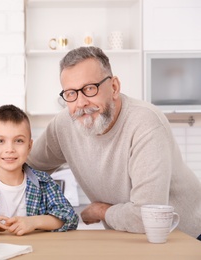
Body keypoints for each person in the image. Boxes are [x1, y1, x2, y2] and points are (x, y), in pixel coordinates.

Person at [26, 46, 201, 240]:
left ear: (114, 87)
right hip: (132, 237)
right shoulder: (63, 126)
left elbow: (147, 216)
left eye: (90, 88)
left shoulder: (146, 124)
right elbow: (27, 168)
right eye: (70, 94)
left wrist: (101, 211)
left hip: (187, 236)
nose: (81, 102)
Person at [0, 104, 79, 236]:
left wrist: (33, 222)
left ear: (29, 146)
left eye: (18, 141)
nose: (10, 149)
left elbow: (70, 217)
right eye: (0, 141)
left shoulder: (44, 183)